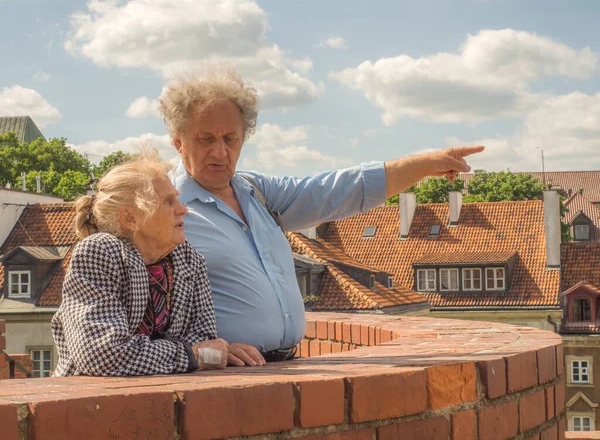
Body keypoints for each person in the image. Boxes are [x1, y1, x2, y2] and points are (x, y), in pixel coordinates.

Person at [160, 66, 484, 366]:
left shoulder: (255, 191)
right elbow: (136, 315)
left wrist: (424, 164)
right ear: (178, 141)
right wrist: (206, 353)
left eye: (230, 138)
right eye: (205, 139)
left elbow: (335, 191)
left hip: (286, 368)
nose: (220, 151)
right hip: (224, 380)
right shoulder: (163, 210)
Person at [52, 152, 229, 376]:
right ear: (130, 218)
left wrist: (194, 353)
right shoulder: (99, 252)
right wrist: (189, 355)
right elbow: (103, 357)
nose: (183, 209)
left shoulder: (188, 259)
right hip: (90, 403)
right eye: (168, 201)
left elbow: (206, 342)